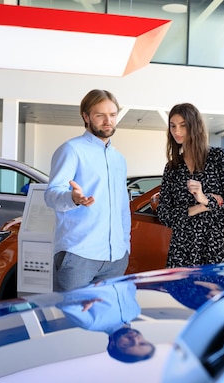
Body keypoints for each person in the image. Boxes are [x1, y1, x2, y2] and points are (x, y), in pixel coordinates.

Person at [45, 89, 131, 292]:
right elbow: (51, 195)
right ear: (86, 116)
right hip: (79, 256)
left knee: (105, 319)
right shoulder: (72, 150)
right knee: (71, 321)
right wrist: (72, 198)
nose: (107, 121)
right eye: (100, 115)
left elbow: (122, 207)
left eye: (112, 115)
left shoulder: (119, 159)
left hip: (115, 259)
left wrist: (125, 246)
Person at [156, 103, 224, 268]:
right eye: (173, 126)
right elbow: (164, 214)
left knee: (214, 293)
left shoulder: (218, 157)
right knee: (181, 292)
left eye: (183, 125)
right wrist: (201, 207)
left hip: (215, 245)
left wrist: (204, 198)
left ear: (194, 126)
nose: (177, 132)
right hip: (182, 247)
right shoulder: (173, 167)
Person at [58, 280, 156, 363]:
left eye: (127, 345)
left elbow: (63, 304)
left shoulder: (92, 324)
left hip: (87, 274)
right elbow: (130, 286)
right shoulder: (135, 311)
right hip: (117, 265)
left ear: (112, 345)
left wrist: (81, 302)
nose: (135, 339)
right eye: (142, 343)